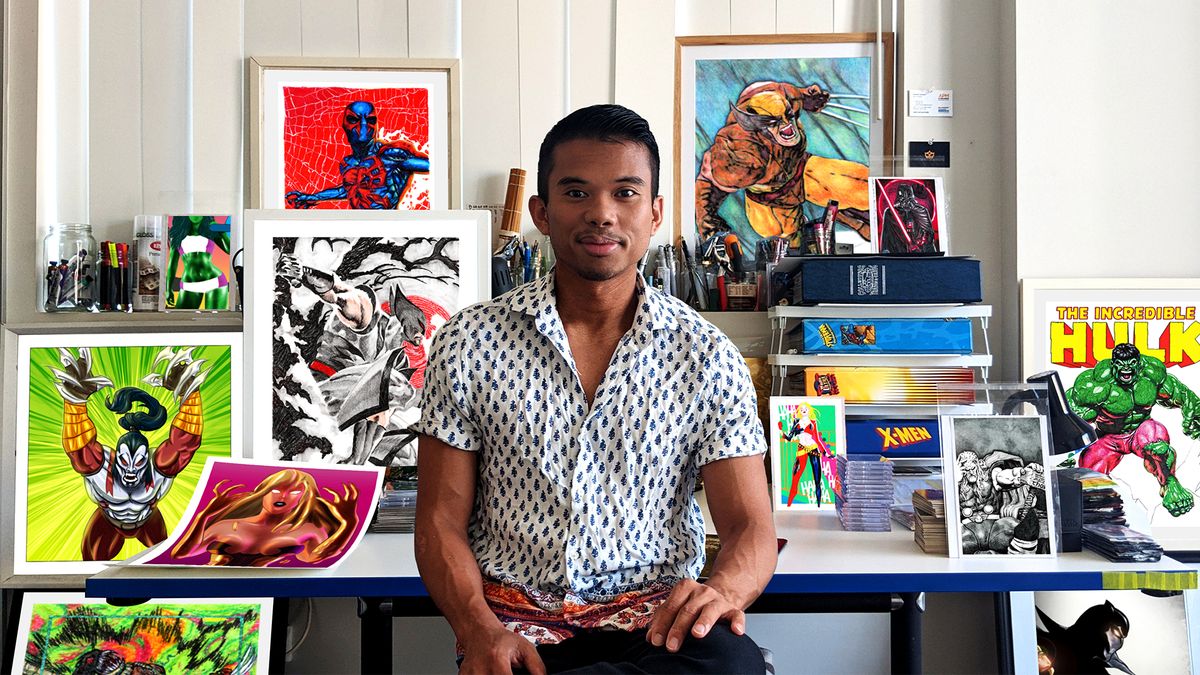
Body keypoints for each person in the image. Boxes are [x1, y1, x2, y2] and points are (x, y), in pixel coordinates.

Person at [414, 104, 777, 674]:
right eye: (576, 193)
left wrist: (723, 591)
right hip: (517, 631)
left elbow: (751, 527)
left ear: (655, 213)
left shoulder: (706, 356)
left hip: (658, 628)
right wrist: (477, 629)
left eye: (625, 193)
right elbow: (439, 521)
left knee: (732, 665)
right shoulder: (470, 343)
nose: (602, 214)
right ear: (541, 211)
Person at [52, 346, 208, 561]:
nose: (132, 470)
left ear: (147, 459)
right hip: (108, 521)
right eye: (125, 461)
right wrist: (75, 401)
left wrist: (189, 393)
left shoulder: (157, 467)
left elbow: (186, 443)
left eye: (139, 461)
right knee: (90, 567)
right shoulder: (101, 467)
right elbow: (78, 448)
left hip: (148, 520)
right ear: (116, 457)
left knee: (166, 566)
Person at [169, 468, 360, 567]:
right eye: (276, 490)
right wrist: (204, 515)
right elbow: (181, 554)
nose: (283, 496)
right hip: (212, 583)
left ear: (303, 498)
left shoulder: (306, 530)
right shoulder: (228, 525)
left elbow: (315, 558)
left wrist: (349, 523)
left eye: (294, 492)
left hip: (263, 588)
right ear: (264, 492)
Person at [286, 100, 431, 209]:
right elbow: (349, 190)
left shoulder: (389, 156)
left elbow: (434, 166)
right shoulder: (348, 164)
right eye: (354, 120)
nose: (363, 126)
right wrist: (313, 197)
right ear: (344, 125)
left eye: (370, 120)